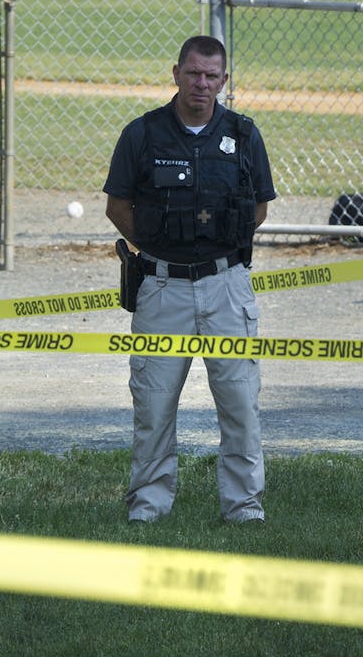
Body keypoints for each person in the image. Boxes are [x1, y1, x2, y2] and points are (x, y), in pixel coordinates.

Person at [102, 35, 277, 524]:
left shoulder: (244, 135)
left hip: (227, 287)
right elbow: (117, 207)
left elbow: (258, 208)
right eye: (193, 73)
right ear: (175, 73)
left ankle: (244, 506)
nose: (202, 84)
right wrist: (163, 246)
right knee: (154, 404)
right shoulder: (142, 135)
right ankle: (149, 505)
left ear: (223, 81)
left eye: (212, 76)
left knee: (240, 402)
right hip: (162, 287)